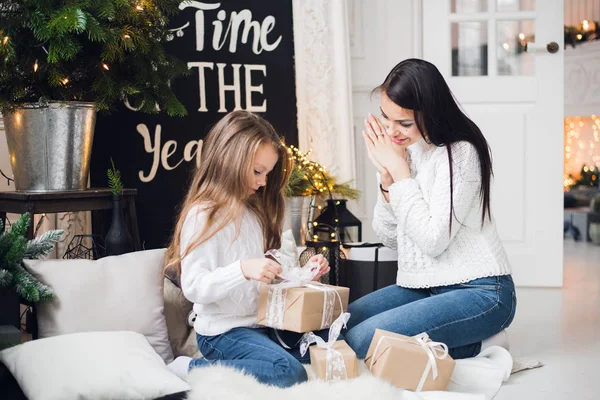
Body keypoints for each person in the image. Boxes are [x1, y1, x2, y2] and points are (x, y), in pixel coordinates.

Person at [345, 59, 516, 360]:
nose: (392, 131)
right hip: (427, 286)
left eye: (404, 123)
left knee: (361, 342)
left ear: (431, 113)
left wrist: (400, 173)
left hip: (483, 292)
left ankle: (484, 344)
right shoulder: (403, 152)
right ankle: (461, 340)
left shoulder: (461, 153)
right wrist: (387, 184)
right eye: (386, 118)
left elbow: (433, 241)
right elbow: (390, 239)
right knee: (343, 325)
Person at [164, 111, 330, 386]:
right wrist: (241, 270)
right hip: (222, 332)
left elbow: (265, 279)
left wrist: (302, 276)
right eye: (257, 171)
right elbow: (194, 287)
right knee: (289, 372)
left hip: (260, 325)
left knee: (329, 341)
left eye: (267, 173)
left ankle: (260, 359)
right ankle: (190, 368)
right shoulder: (202, 215)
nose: (264, 181)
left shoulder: (252, 214)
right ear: (230, 161)